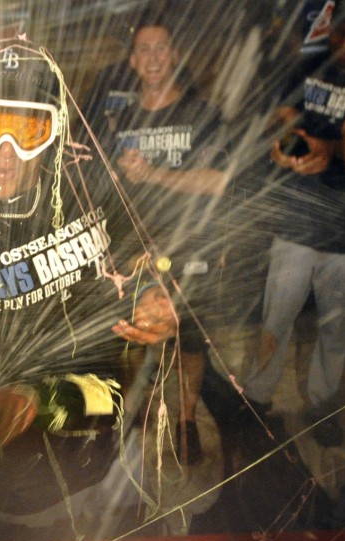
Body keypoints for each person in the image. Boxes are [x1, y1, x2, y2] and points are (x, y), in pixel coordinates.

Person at [0, 38, 177, 541]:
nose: (6, 154)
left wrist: (155, 296)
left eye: (27, 130)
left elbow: (143, 257)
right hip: (14, 486)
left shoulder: (91, 186)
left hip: (111, 449)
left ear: (54, 132)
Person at [240, 0, 345, 447]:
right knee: (276, 321)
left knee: (335, 331)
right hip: (295, 223)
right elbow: (282, 120)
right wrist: (287, 147)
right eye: (339, 32)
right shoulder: (306, 69)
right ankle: (258, 402)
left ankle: (322, 405)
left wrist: (330, 149)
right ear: (328, 28)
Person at [93, 20, 231, 464]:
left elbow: (219, 182)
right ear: (133, 62)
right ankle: (133, 416)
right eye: (143, 50)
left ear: (174, 57)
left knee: (190, 344)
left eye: (161, 49)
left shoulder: (202, 114)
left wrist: (154, 174)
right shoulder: (119, 121)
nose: (152, 58)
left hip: (192, 248)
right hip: (135, 253)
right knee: (134, 338)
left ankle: (186, 419)